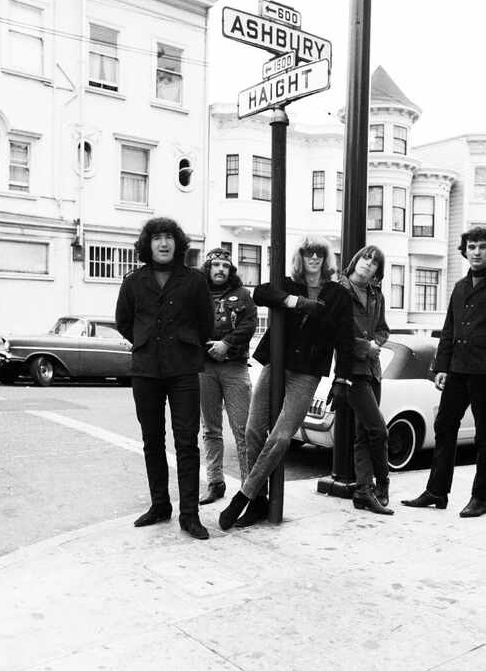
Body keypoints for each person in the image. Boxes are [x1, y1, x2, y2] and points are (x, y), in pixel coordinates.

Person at [218, 235, 353, 530]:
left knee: (280, 437)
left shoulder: (338, 294)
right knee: (254, 430)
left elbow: (345, 339)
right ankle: (258, 502)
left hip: (306, 373)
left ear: (326, 258)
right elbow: (261, 293)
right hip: (276, 364)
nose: (314, 257)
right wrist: (297, 302)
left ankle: (243, 497)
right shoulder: (288, 285)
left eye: (320, 253)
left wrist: (341, 379)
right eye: (308, 252)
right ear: (301, 257)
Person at [401, 226, 486, 517]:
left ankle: (480, 498)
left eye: (482, 246)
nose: (477, 252)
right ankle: (436, 492)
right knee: (444, 427)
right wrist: (441, 367)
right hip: (457, 370)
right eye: (471, 247)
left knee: (484, 435)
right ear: (464, 251)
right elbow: (449, 330)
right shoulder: (459, 286)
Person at [115, 218, 214, 540]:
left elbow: (206, 324)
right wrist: (146, 342)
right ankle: (160, 505)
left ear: (177, 243)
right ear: (148, 244)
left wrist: (183, 344)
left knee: (187, 442)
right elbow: (124, 322)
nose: (163, 243)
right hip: (146, 370)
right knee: (152, 440)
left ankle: (190, 515)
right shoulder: (133, 281)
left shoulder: (195, 280)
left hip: (184, 369)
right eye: (157, 237)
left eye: (169, 237)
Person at [197, 247, 258, 506]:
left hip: (234, 367)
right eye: (216, 265)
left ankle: (248, 488)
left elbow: (249, 324)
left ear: (230, 269)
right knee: (210, 429)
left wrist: (226, 344)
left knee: (243, 429)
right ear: (208, 268)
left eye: (225, 265)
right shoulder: (197, 295)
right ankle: (215, 482)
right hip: (204, 368)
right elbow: (186, 324)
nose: (220, 269)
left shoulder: (243, 295)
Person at [339, 245, 393, 515]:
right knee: (378, 430)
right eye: (365, 258)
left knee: (364, 433)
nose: (368, 264)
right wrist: (363, 346)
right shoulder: (339, 289)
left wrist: (375, 342)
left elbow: (383, 328)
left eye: (374, 263)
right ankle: (381, 484)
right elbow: (334, 332)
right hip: (351, 371)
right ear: (355, 260)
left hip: (373, 369)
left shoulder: (376, 294)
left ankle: (362, 491)